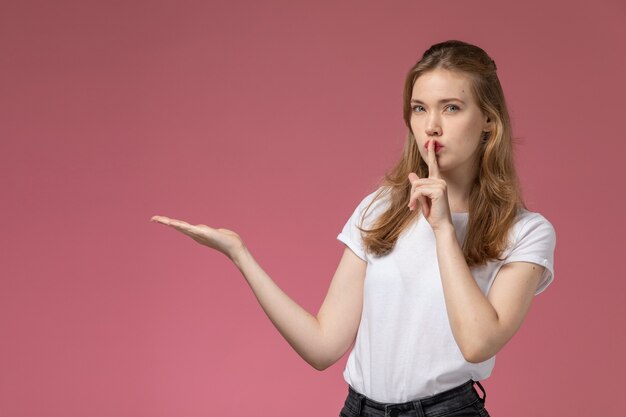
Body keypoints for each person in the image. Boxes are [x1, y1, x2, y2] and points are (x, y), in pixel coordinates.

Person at [150, 40, 556, 417]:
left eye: (451, 108)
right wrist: (240, 254)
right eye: (419, 108)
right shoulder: (382, 207)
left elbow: (477, 342)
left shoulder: (525, 232)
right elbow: (323, 346)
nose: (431, 126)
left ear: (488, 118)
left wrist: (445, 230)